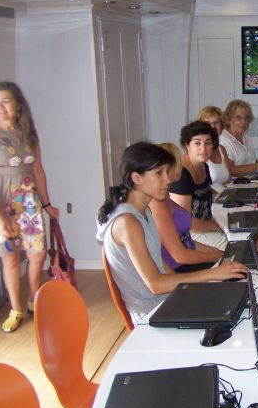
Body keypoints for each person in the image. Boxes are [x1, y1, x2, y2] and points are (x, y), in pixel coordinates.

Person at [96, 142, 248, 322]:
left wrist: (199, 287)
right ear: (136, 178)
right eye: (159, 173)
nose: (167, 180)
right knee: (237, 311)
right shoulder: (128, 223)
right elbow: (156, 285)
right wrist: (213, 274)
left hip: (166, 301)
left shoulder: (144, 211)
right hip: (151, 313)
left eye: (167, 172)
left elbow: (164, 268)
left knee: (239, 297)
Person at [0, 82, 60, 333]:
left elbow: (38, 170)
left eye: (5, 101)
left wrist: (46, 203)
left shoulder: (29, 133)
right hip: (2, 206)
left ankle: (33, 297)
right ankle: (16, 309)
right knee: (11, 259)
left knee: (38, 254)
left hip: (29, 205)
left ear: (17, 105)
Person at [149, 143, 224, 272]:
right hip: (180, 269)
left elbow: (187, 241)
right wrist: (218, 257)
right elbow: (180, 256)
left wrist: (218, 253)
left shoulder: (165, 198)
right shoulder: (157, 203)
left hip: (188, 261)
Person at [169, 121, 226, 250]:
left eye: (208, 143)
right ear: (187, 144)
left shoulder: (204, 166)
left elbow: (207, 192)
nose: (203, 149)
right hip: (189, 235)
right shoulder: (181, 175)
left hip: (205, 226)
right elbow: (186, 223)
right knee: (237, 244)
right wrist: (217, 226)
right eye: (197, 143)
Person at [218, 100, 258, 177]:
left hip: (251, 179)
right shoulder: (223, 140)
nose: (243, 121)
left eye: (246, 118)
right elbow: (230, 170)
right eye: (238, 118)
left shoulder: (246, 137)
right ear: (228, 119)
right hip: (235, 183)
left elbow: (250, 162)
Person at [195, 105, 232, 193]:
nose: (212, 126)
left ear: (222, 126)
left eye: (216, 122)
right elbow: (196, 185)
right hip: (208, 199)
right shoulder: (196, 150)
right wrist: (217, 197)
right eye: (208, 123)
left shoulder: (222, 149)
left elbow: (228, 181)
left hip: (224, 197)